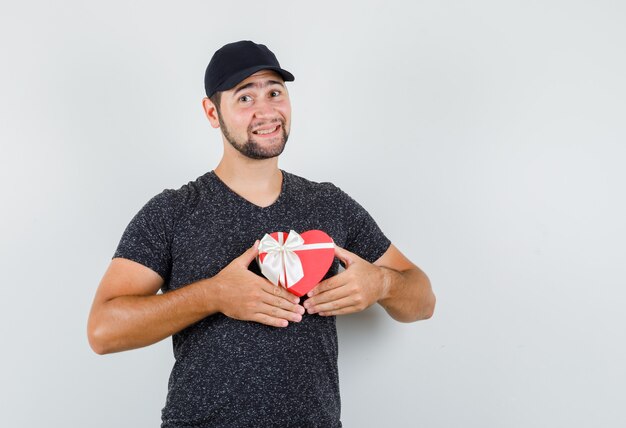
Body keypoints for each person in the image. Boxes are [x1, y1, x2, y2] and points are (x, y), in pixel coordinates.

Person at [87, 40, 435, 428]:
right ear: (212, 112)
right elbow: (103, 330)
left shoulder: (329, 203)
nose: (266, 110)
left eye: (274, 92)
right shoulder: (173, 211)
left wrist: (382, 284)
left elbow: (423, 300)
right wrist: (213, 294)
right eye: (245, 97)